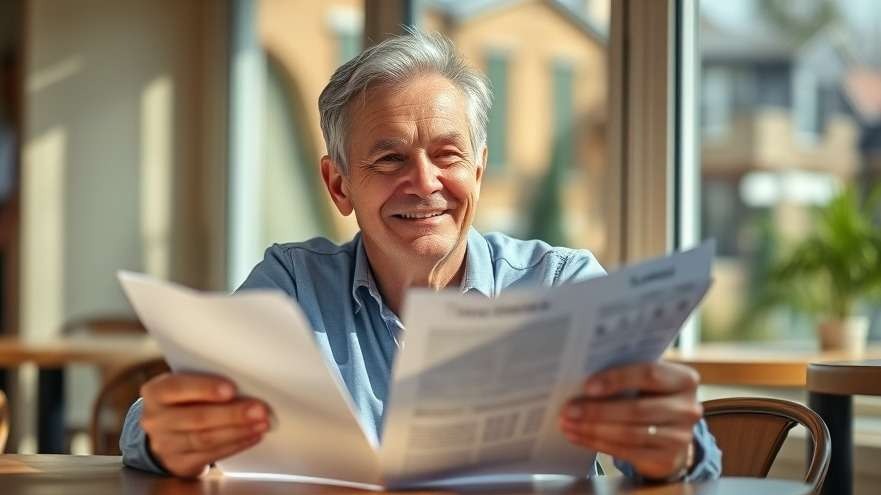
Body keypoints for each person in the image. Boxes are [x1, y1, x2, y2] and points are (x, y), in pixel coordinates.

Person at [120, 31, 721, 483]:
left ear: (479, 171)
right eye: (389, 160)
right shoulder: (294, 284)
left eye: (448, 155)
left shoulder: (562, 284)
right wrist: (165, 438)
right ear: (338, 186)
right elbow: (148, 426)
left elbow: (688, 458)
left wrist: (674, 450)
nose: (424, 182)